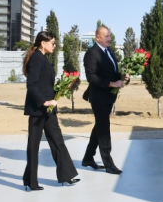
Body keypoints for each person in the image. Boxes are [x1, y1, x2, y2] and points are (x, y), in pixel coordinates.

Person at [22, 31, 80, 191]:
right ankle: (31, 181)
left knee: (57, 141)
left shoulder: (43, 59)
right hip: (38, 109)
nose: (55, 46)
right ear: (43, 43)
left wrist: (59, 89)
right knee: (33, 146)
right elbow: (31, 85)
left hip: (48, 110)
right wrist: (44, 101)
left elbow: (43, 84)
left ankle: (66, 175)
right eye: (52, 43)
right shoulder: (36, 59)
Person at [81, 26, 126, 175]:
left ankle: (88, 158)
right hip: (98, 97)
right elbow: (91, 77)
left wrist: (122, 76)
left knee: (100, 126)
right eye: (106, 36)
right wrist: (112, 84)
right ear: (98, 37)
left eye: (110, 35)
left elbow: (111, 72)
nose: (110, 38)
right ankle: (108, 163)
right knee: (104, 128)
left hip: (109, 96)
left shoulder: (110, 51)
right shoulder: (91, 53)